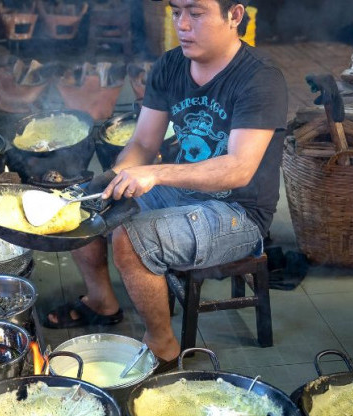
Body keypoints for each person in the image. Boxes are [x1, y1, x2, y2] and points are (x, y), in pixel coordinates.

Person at [45, 0, 288, 371]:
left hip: (239, 211)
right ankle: (101, 302)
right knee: (83, 204)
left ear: (234, 15)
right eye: (177, 12)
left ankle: (163, 347)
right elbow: (143, 144)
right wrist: (116, 180)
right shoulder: (171, 65)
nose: (182, 24)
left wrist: (156, 174)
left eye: (197, 12)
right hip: (186, 190)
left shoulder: (260, 78)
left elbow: (238, 168)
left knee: (131, 241)